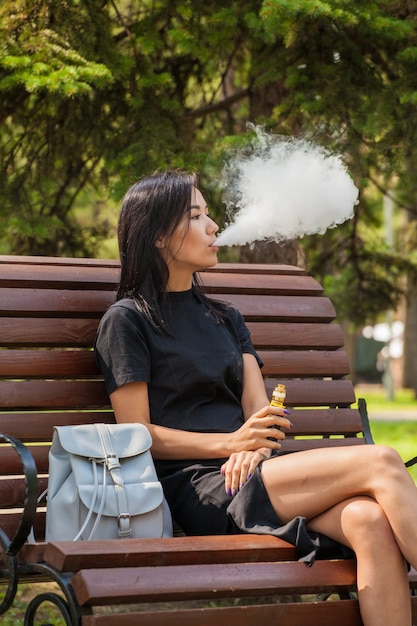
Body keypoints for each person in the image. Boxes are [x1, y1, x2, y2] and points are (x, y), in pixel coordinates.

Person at [95, 169, 417, 626]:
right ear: (158, 236)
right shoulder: (127, 321)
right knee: (382, 460)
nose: (213, 228)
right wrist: (231, 445)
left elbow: (259, 415)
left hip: (255, 474)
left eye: (210, 215)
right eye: (196, 216)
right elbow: (137, 434)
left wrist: (254, 444)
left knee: (367, 520)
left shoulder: (227, 319)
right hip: (198, 487)